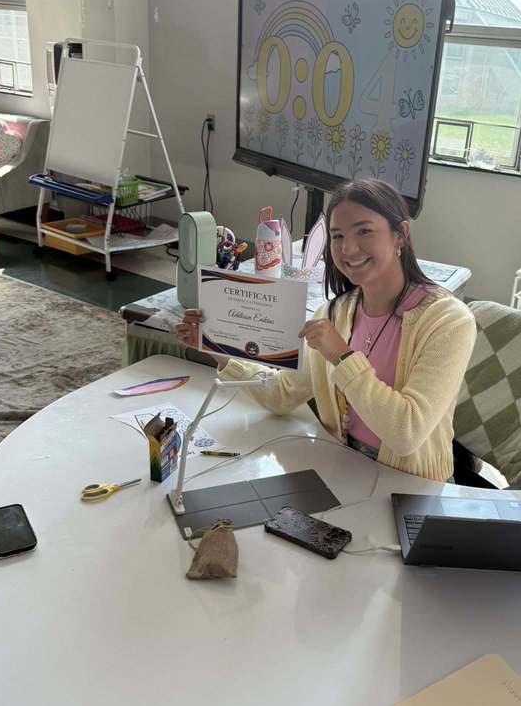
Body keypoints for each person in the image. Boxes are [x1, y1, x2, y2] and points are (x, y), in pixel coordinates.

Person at [175, 179, 475, 481]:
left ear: (401, 235)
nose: (348, 248)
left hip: (414, 486)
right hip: (342, 468)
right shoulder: (334, 314)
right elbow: (282, 393)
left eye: (364, 231)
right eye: (337, 236)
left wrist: (342, 357)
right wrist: (220, 351)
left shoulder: (448, 321)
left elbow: (406, 434)